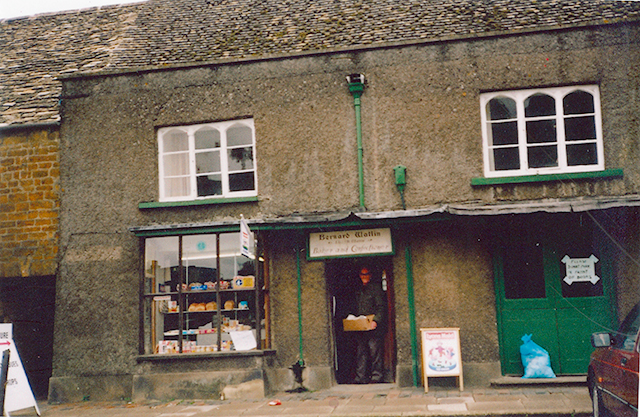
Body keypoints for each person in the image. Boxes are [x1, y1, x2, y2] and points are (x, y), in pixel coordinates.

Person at [352, 265, 386, 384]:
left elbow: (381, 307)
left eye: (366, 274)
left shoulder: (375, 289)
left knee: (374, 351)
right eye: (362, 274)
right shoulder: (358, 289)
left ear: (370, 275)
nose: (364, 277)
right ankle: (361, 376)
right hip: (360, 326)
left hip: (372, 326)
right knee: (361, 352)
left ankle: (377, 376)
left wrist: (376, 320)